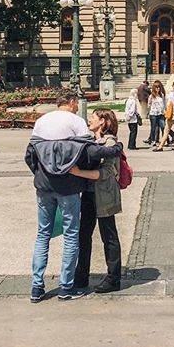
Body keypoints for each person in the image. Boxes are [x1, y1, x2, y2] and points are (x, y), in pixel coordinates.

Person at [25, 88, 122, 302]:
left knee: (43, 235)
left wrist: (41, 174)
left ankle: (37, 287)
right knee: (72, 236)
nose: (80, 109)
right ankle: (66, 287)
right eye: (77, 103)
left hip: (44, 187)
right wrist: (114, 150)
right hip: (69, 188)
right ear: (71, 102)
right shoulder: (76, 122)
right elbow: (89, 153)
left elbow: (30, 155)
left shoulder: (41, 121)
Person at [74, 109, 124, 294]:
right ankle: (81, 275)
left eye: (93, 117)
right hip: (89, 193)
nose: (89, 119)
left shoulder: (110, 143)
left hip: (104, 194)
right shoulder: (90, 140)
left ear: (103, 121)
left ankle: (113, 278)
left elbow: (107, 172)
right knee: (83, 235)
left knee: (108, 236)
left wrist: (78, 172)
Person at [156, 80, 174, 151]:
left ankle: (161, 146)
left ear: (173, 86)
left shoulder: (172, 93)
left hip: (172, 113)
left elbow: (169, 104)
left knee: (166, 130)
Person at [147, 81, 166, 147]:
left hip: (161, 113)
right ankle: (153, 140)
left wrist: (165, 111)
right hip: (153, 113)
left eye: (159, 87)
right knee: (153, 128)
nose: (158, 89)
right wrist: (150, 111)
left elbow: (164, 103)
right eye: (156, 87)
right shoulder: (151, 96)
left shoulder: (162, 95)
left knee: (163, 126)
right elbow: (149, 105)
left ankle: (164, 140)